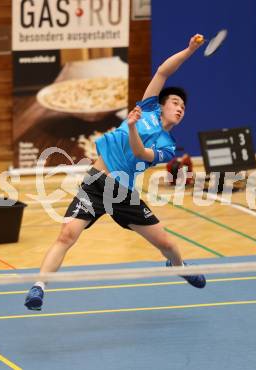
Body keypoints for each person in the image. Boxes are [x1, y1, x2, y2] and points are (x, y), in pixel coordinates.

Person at [25, 34, 207, 311]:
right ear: (161, 105)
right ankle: (38, 287)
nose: (180, 109)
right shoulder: (146, 108)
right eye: (175, 103)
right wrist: (190, 50)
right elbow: (163, 71)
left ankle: (178, 266)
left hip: (123, 195)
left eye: (183, 108)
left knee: (166, 243)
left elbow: (140, 154)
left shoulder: (168, 147)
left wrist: (132, 127)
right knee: (66, 235)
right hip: (96, 183)